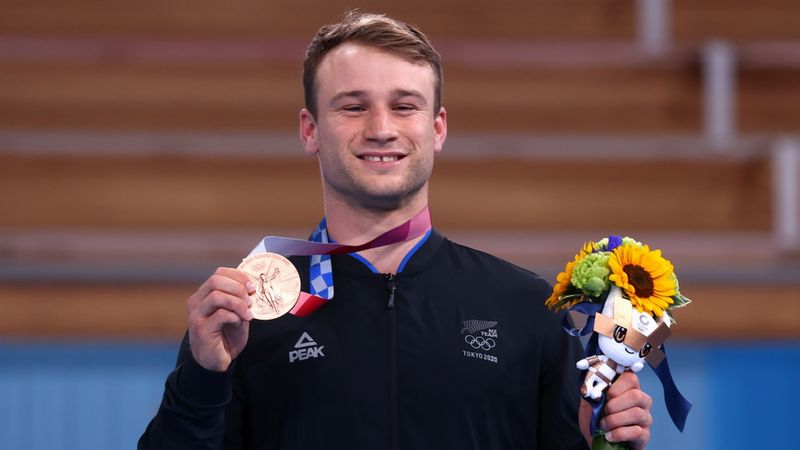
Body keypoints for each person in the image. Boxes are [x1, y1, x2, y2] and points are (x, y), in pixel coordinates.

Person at [139, 11, 653, 450]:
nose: (381, 127)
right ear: (310, 129)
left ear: (437, 128)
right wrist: (203, 379)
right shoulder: (247, 313)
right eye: (353, 105)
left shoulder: (525, 307)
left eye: (405, 106)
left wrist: (609, 439)